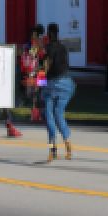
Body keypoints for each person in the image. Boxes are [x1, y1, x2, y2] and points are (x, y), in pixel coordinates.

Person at [42, 23, 76, 162]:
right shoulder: (63, 48)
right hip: (67, 83)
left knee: (49, 115)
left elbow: (44, 69)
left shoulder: (47, 49)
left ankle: (52, 148)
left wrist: (40, 86)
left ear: (48, 34)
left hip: (51, 84)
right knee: (59, 114)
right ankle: (68, 145)